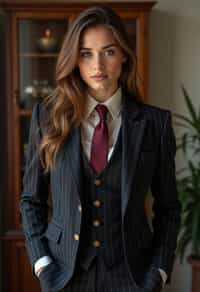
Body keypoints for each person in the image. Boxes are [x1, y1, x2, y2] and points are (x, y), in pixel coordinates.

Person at [19, 5, 182, 292]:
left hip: (134, 277)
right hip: (64, 277)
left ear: (123, 56)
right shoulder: (47, 118)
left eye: (108, 51)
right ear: (74, 59)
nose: (98, 65)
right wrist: (43, 265)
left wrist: (159, 271)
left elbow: (168, 208)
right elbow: (32, 200)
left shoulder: (154, 124)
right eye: (86, 53)